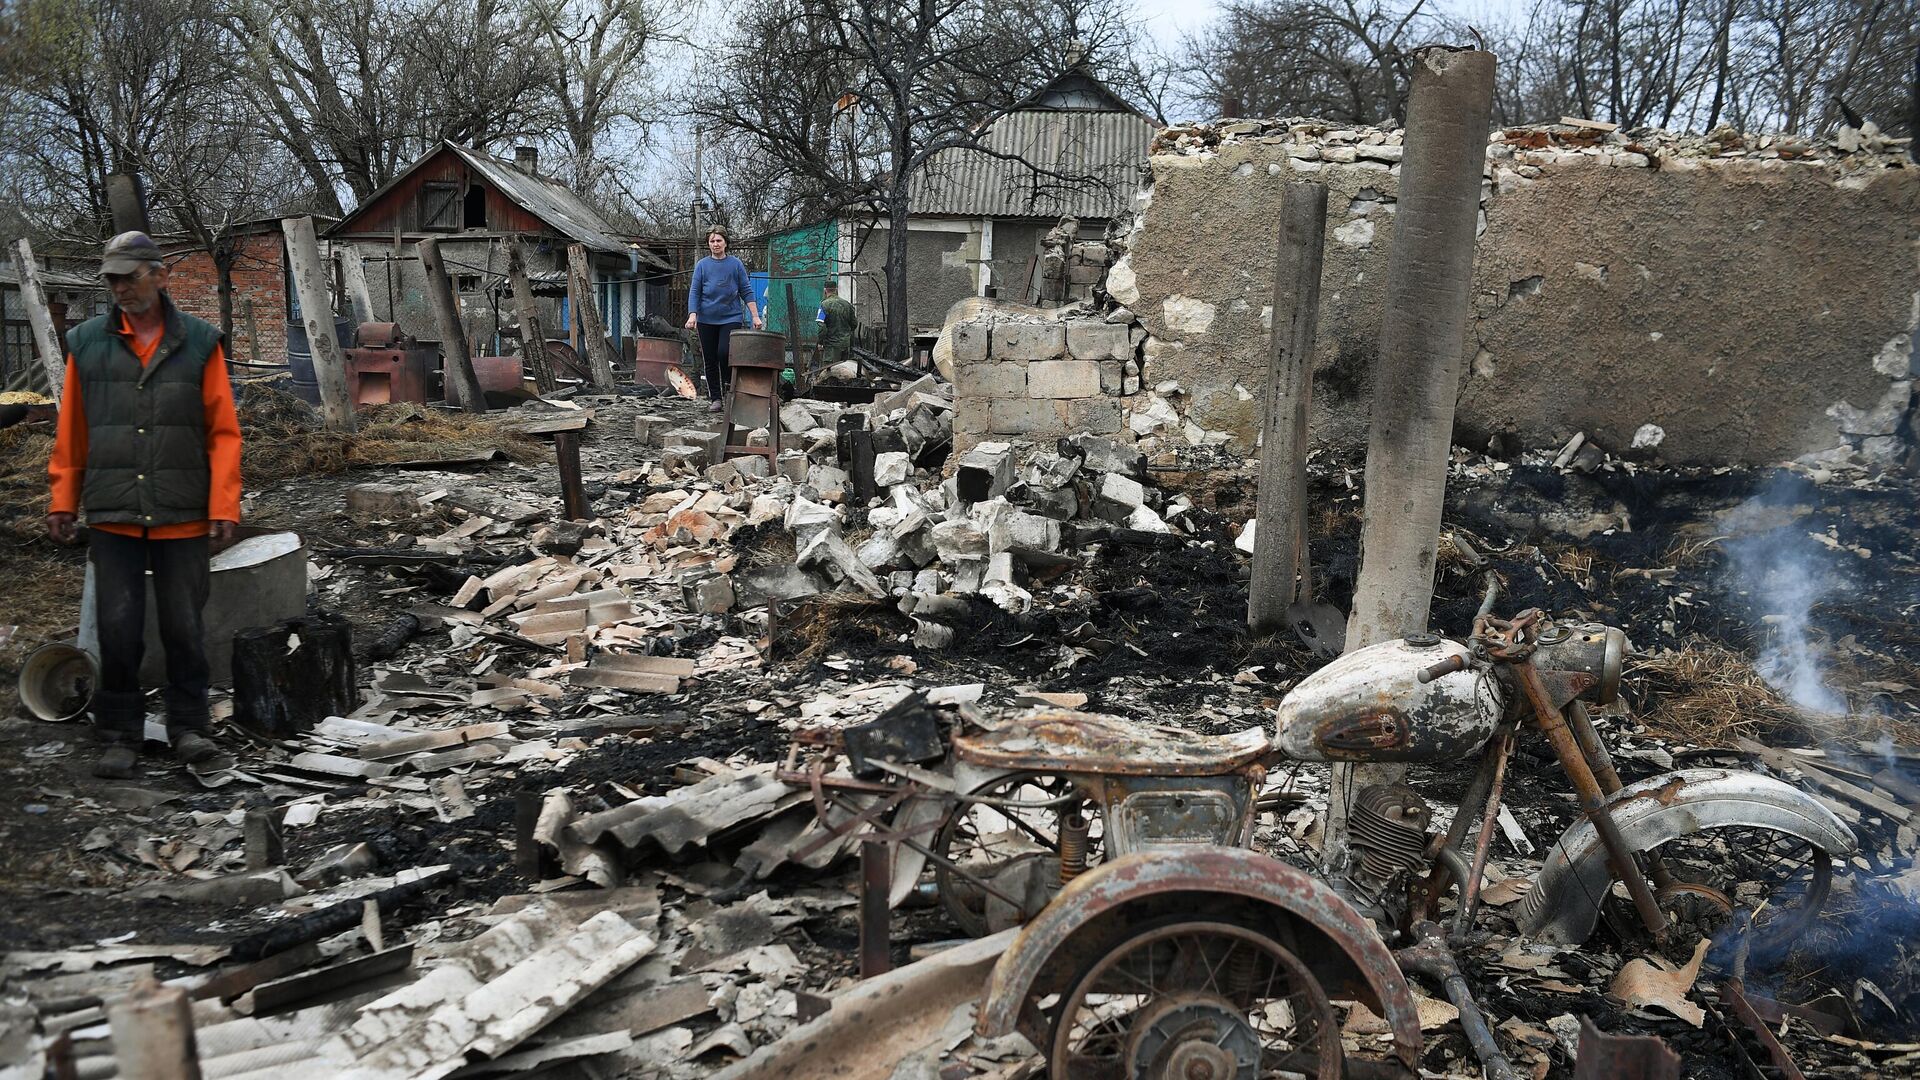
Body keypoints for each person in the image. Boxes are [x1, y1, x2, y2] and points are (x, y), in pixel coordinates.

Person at [46, 231, 242, 779]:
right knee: (118, 628)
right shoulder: (86, 342)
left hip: (182, 509)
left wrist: (224, 503)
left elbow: (223, 432)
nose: (120, 287)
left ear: (160, 275)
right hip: (113, 511)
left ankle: (190, 729)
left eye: (130, 276)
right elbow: (73, 430)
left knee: (183, 626)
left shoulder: (201, 342)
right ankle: (121, 733)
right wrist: (63, 497)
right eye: (111, 278)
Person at [683, 227, 762, 412]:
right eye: (712, 241)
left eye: (718, 240)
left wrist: (755, 316)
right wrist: (692, 314)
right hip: (706, 319)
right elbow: (695, 292)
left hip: (730, 317)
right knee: (710, 359)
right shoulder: (702, 265)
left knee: (724, 353)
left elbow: (746, 290)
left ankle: (730, 392)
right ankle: (716, 399)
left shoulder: (735, 264)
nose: (715, 244)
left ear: (725, 242)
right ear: (708, 244)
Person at [814, 280, 857, 371]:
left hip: (831, 347)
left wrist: (820, 342)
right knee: (845, 372)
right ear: (836, 289)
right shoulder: (847, 304)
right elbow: (854, 323)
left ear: (825, 290)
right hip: (845, 345)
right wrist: (846, 334)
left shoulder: (824, 305)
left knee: (830, 373)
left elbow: (822, 327)